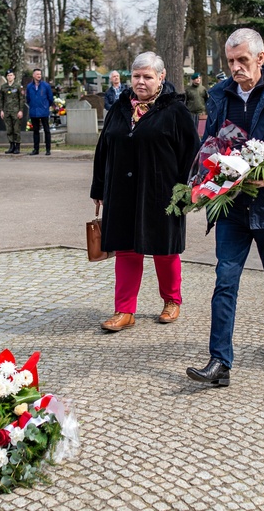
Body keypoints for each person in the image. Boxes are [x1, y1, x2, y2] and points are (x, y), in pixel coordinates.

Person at [185, 28, 264, 387]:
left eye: (242, 60)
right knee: (225, 279)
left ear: (260, 58)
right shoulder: (220, 93)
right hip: (232, 206)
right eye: (231, 61)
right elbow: (212, 139)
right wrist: (209, 172)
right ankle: (219, 361)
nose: (236, 68)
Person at [90, 52, 199, 333]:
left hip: (161, 192)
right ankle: (125, 310)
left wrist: (184, 190)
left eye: (147, 76)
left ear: (161, 77)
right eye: (136, 76)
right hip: (121, 191)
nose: (140, 81)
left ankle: (172, 301)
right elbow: (103, 149)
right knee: (126, 249)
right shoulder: (119, 108)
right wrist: (99, 188)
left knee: (165, 249)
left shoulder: (175, 111)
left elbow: (192, 153)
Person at [26, 68, 54, 155]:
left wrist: (45, 106)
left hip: (44, 111)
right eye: (37, 74)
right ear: (33, 75)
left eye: (40, 74)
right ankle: (36, 149)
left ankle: (48, 149)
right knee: (35, 131)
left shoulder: (46, 86)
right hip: (34, 111)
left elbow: (50, 98)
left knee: (46, 130)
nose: (39, 76)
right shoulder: (29, 86)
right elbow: (28, 99)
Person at [0, 69, 24, 154]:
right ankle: (11, 146)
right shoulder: (3, 87)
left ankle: (17, 147)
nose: (9, 77)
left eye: (11, 75)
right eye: (8, 75)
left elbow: (21, 99)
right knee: (9, 130)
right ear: (6, 77)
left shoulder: (18, 86)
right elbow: (1, 99)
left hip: (15, 111)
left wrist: (21, 110)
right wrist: (1, 110)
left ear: (14, 76)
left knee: (16, 129)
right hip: (6, 111)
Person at [184, 72, 208, 136]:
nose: (198, 80)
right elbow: (185, 101)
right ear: (193, 80)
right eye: (196, 78)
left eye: (199, 78)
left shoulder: (203, 89)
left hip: (201, 113)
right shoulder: (188, 90)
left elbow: (207, 100)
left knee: (201, 132)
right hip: (191, 113)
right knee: (191, 131)